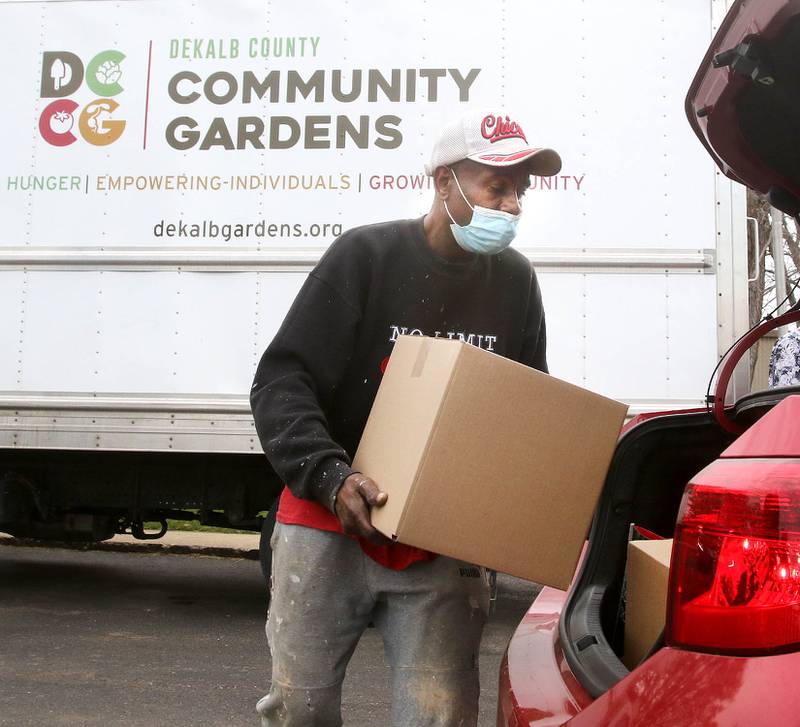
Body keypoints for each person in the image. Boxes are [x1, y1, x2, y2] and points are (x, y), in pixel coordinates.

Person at [250, 110, 562, 727]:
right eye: (495, 186)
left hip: (440, 544)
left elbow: (525, 407)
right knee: (300, 709)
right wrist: (330, 475)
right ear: (444, 182)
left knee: (437, 716)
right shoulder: (365, 256)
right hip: (325, 527)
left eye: (520, 190)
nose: (513, 204)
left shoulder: (516, 282)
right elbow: (284, 380)